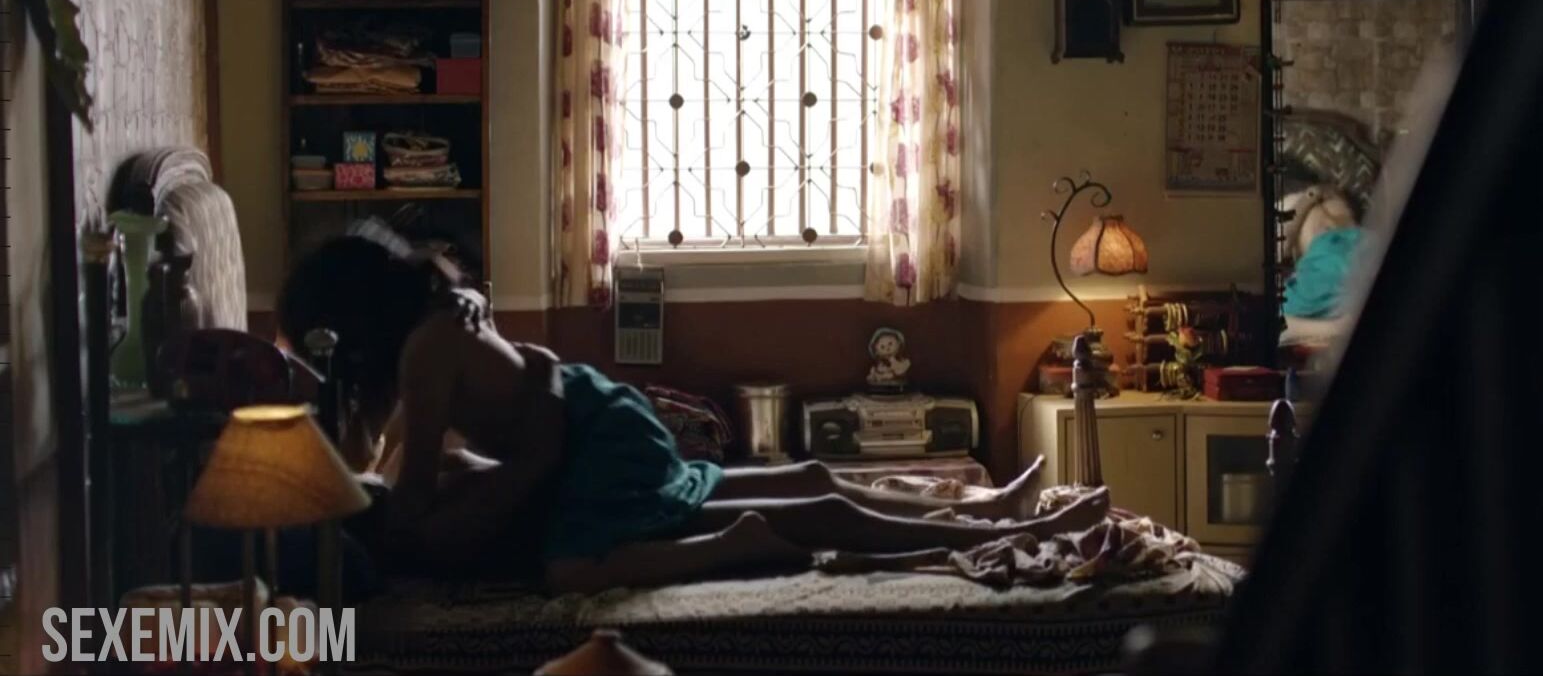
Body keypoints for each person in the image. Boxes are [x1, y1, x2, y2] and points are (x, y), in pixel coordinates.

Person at [277, 227, 1109, 594]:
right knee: (808, 484)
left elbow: (409, 494)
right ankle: (992, 516)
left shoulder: (425, 351)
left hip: (586, 441)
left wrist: (386, 503)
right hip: (598, 413)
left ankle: (991, 532)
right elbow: (384, 453)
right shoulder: (437, 320)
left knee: (571, 570)